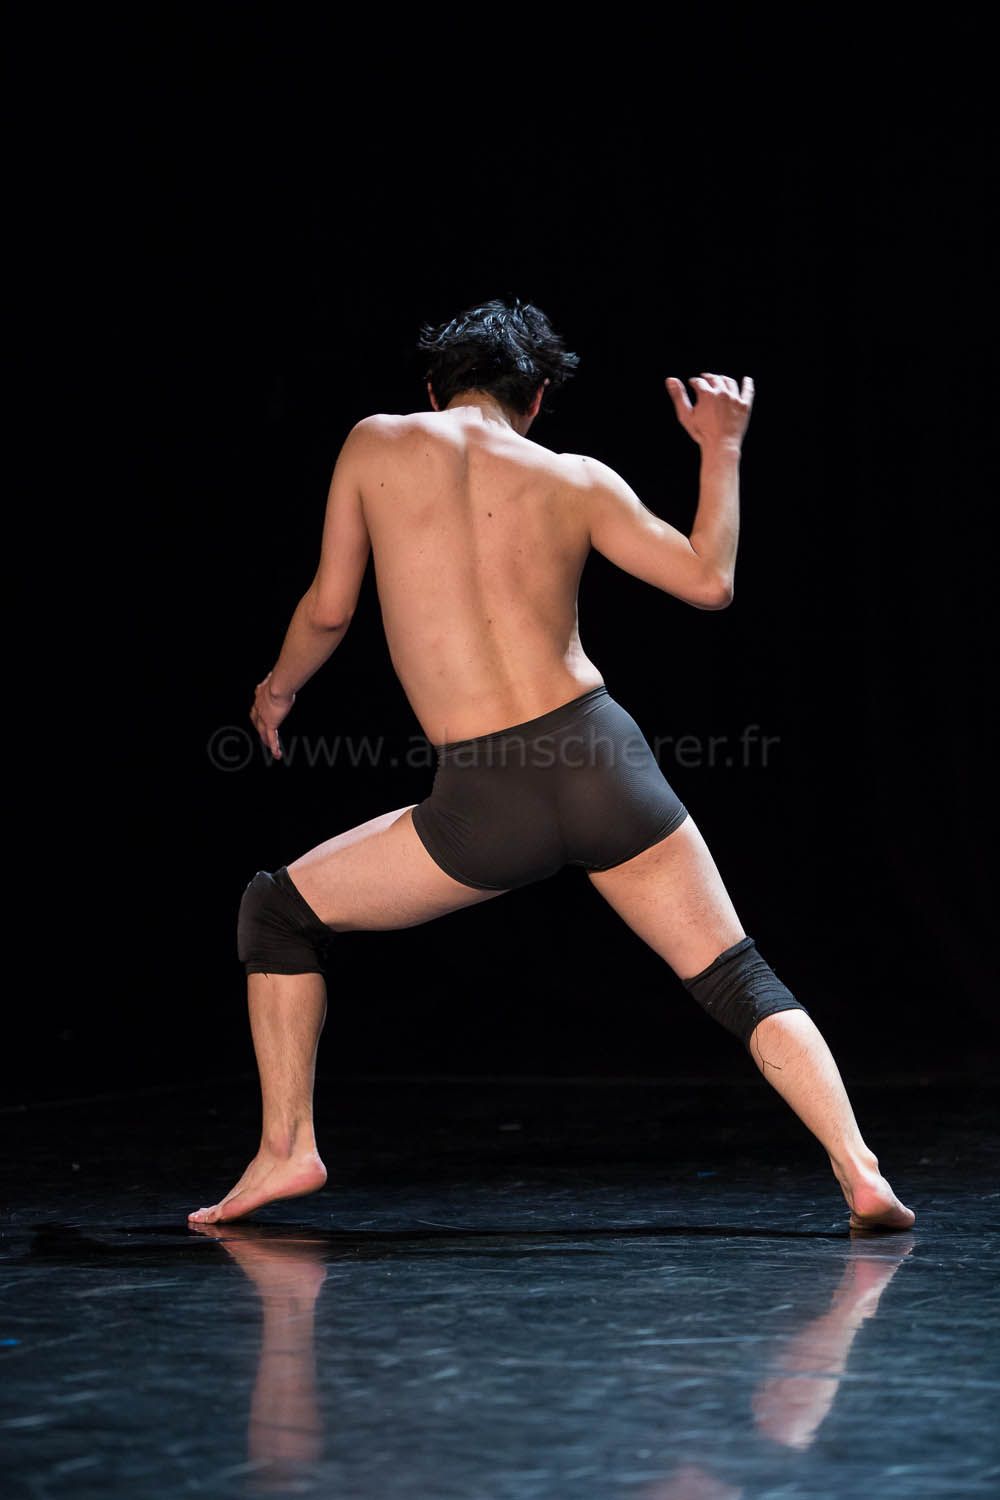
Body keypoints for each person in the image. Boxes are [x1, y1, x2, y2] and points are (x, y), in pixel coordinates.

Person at [188, 298, 914, 1233]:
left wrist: (278, 689)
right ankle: (859, 1169)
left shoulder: (375, 442)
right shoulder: (577, 478)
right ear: (535, 398)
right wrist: (722, 447)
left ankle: (288, 1148)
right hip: (605, 761)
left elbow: (330, 609)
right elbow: (709, 583)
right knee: (736, 975)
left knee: (277, 913)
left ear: (432, 389)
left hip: (484, 801)